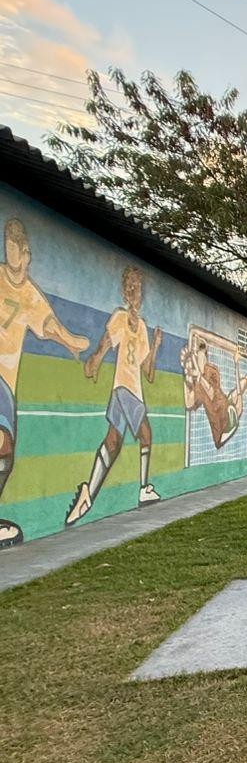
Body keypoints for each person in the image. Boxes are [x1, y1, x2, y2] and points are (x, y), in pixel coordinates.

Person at [1, 218, 91, 546]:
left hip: (7, 382)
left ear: (26, 254)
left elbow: (50, 325)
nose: (11, 255)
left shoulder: (30, 294)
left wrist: (73, 343)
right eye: (7, 248)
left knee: (6, 450)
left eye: (16, 249)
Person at [65, 266, 162, 527]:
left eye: (137, 286)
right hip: (124, 388)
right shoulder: (120, 318)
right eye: (129, 286)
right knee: (146, 434)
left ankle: (88, 495)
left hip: (132, 390)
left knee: (112, 443)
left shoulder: (142, 327)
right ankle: (144, 489)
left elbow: (149, 372)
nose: (134, 291)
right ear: (124, 293)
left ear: (141, 293)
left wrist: (155, 347)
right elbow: (105, 344)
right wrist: (94, 361)